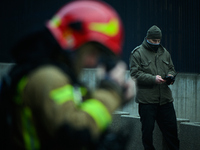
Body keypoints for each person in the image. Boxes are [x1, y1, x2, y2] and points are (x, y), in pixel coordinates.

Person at [0, 0, 136, 149]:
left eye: (98, 55)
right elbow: (75, 132)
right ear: (71, 40)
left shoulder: (53, 72)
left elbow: (74, 111)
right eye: (91, 52)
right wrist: (111, 91)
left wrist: (116, 94)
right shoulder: (48, 77)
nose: (93, 62)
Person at [129, 25, 179, 150]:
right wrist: (153, 79)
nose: (156, 43)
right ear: (147, 38)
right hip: (147, 101)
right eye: (154, 41)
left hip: (165, 100)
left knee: (171, 132)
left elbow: (172, 68)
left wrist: (170, 76)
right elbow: (135, 74)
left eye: (158, 41)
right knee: (147, 134)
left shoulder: (164, 52)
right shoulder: (137, 53)